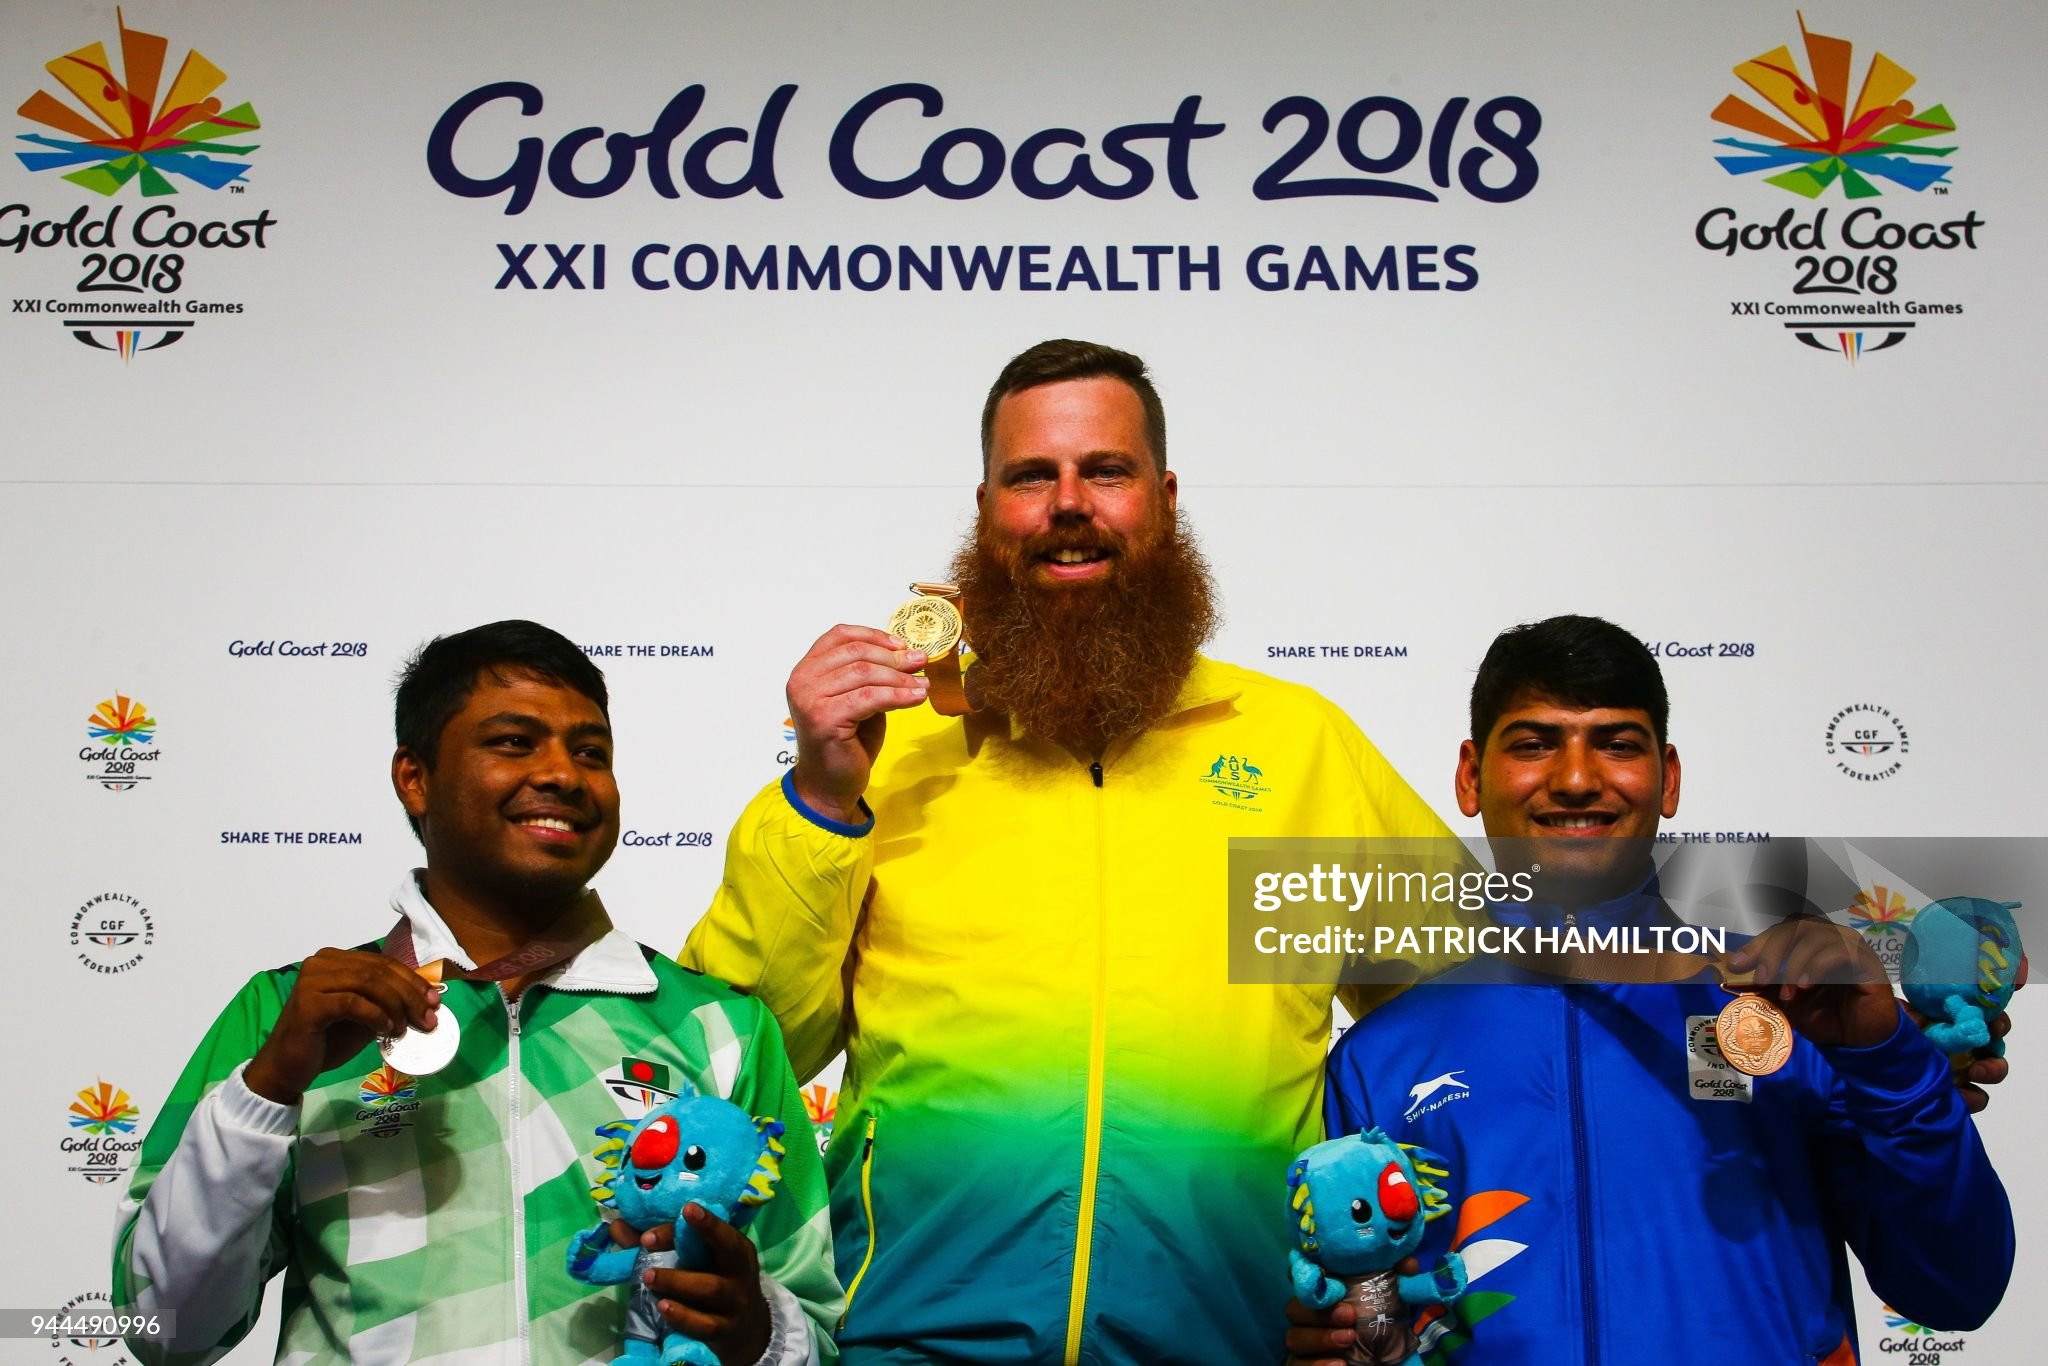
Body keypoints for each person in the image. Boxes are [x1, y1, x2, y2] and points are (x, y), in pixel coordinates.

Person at [681, 340, 1456, 1364]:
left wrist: (1385, 1269)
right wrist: (820, 801)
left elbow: (1458, 1036)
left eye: (1106, 470)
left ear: (1164, 499)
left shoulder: (1299, 745)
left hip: (1229, 1346)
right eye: (1030, 476)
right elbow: (745, 1058)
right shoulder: (881, 759)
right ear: (985, 509)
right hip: (907, 1344)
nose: (1068, 504)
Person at [113, 620, 843, 1366]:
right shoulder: (290, 1016)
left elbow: (814, 1325)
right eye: (514, 742)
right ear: (415, 777)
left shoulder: (720, 1025)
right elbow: (165, 1330)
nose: (563, 774)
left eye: (590, 752)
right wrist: (269, 1087)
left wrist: (757, 1332)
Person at [1298, 614, 2014, 1364]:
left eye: (1617, 744)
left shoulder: (1796, 1007)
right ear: (1471, 777)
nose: (1577, 779)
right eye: (1535, 744)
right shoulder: (1382, 1056)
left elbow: (1954, 1289)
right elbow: (1363, 1321)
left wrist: (1887, 1060)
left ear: (1668, 779)